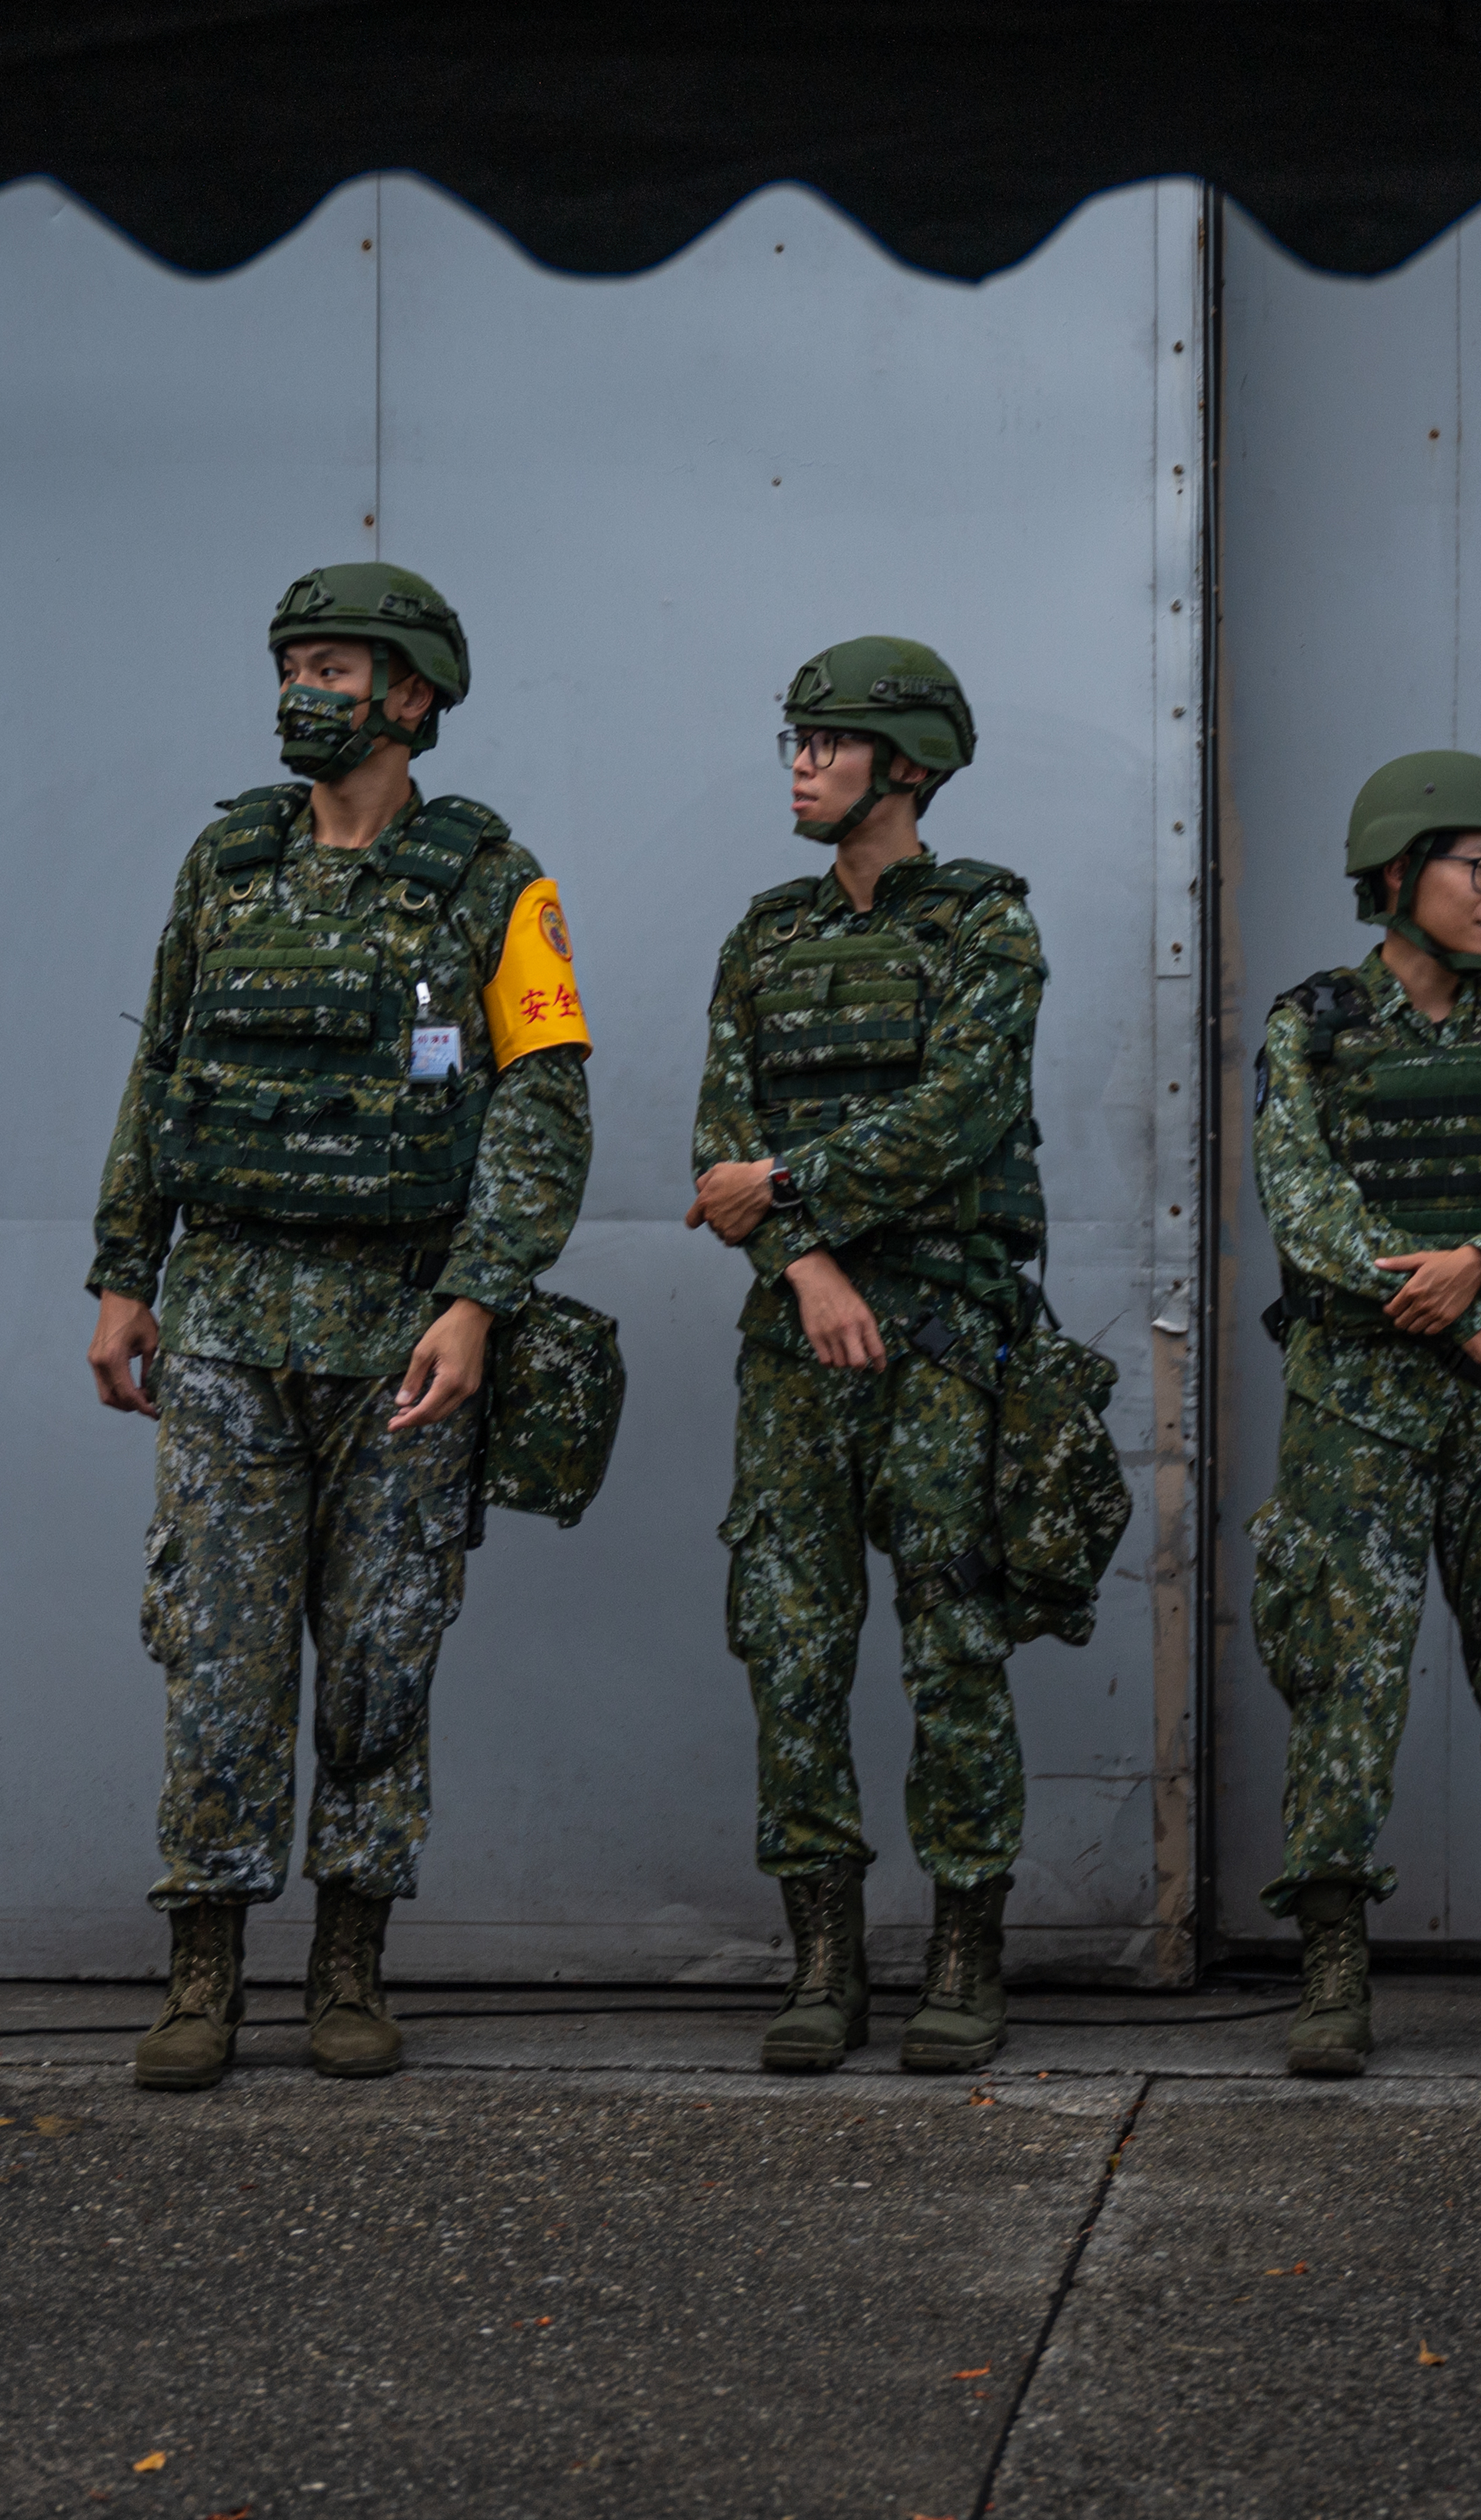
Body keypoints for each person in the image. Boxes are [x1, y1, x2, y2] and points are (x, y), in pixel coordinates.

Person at [86, 563, 590, 2093]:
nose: (305, 687)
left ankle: (351, 1961)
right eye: (292, 661)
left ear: (413, 692)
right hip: (230, 1324)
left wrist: (478, 1301)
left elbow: (544, 1106)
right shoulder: (225, 863)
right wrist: (125, 1271)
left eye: (334, 664)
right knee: (221, 1651)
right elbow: (161, 1063)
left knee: (379, 1655)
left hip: (400, 1341)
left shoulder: (496, 881)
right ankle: (203, 1969)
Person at [688, 640, 1052, 2077]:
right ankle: (824, 1955)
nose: (801, 762)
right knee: (792, 1645)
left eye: (829, 742)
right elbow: (720, 1153)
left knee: (954, 1643)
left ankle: (966, 1946)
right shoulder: (763, 938)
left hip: (948, 1337)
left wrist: (786, 1195)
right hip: (799, 1339)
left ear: (906, 767)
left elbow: (959, 1115)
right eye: (795, 738)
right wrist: (810, 1256)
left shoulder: (986, 929)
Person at [1246, 751, 1481, 2081]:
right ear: (1400, 873)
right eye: (1479, 868)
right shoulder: (1309, 1028)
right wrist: (1466, 1305)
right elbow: (1302, 1208)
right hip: (1357, 1411)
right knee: (1347, 1687)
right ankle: (1334, 1968)